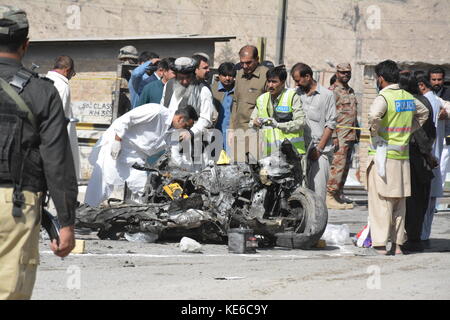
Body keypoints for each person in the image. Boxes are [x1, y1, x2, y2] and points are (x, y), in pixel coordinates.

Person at [0, 5, 77, 299]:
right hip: (17, 206)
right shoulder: (42, 91)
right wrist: (66, 222)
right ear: (26, 44)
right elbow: (56, 161)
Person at [366, 60, 428, 256]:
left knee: (381, 203)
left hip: (384, 157)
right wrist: (409, 130)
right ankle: (399, 245)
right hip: (402, 157)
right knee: (399, 204)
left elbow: (374, 116)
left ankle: (381, 245)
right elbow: (424, 113)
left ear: (381, 78)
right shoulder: (408, 98)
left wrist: (376, 134)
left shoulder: (383, 97)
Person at [85, 104, 198, 207]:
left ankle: (144, 218)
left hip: (136, 156)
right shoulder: (157, 111)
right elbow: (127, 119)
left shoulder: (174, 131)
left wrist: (187, 170)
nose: (186, 130)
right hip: (118, 144)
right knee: (103, 182)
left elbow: (175, 154)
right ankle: (86, 212)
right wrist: (117, 140)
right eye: (187, 126)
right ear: (180, 119)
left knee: (145, 185)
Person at [400, 71, 436, 253]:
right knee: (419, 198)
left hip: (414, 156)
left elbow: (419, 133)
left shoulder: (411, 103)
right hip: (421, 156)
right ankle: (414, 234)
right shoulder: (424, 100)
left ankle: (411, 236)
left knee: (412, 198)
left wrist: (426, 154)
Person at [291, 62, 337, 203]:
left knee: (317, 195)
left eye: (298, 80)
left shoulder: (327, 95)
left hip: (319, 151)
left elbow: (331, 124)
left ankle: (317, 225)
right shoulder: (295, 95)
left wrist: (319, 149)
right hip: (299, 150)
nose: (297, 84)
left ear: (308, 76)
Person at [161, 57, 216, 170]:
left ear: (194, 73)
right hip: (170, 141)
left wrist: (190, 132)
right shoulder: (168, 86)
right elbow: (163, 109)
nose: (185, 81)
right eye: (181, 78)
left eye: (188, 78)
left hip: (194, 143)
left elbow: (206, 119)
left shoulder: (203, 90)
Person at [249, 65, 305, 159]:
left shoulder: (292, 96)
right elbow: (251, 122)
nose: (270, 85)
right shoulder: (262, 99)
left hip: (292, 154)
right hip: (269, 154)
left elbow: (301, 123)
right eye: (269, 81)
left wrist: (278, 125)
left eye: (274, 82)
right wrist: (255, 123)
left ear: (283, 83)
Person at [415, 72, 445, 246]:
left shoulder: (427, 102)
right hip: (433, 155)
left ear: (421, 85)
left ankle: (421, 233)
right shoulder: (435, 101)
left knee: (425, 198)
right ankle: (424, 233)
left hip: (428, 156)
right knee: (430, 199)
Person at [228, 45, 269, 162]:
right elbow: (235, 103)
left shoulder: (267, 76)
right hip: (239, 133)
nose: (245, 66)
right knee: (238, 170)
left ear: (257, 59)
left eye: (249, 63)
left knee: (256, 171)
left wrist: (264, 137)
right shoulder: (239, 74)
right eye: (242, 63)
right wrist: (231, 130)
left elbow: (272, 107)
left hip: (257, 134)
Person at [326, 63, 358, 210]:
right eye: (342, 72)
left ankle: (338, 193)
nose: (346, 75)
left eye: (348, 72)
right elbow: (329, 115)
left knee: (345, 167)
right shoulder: (333, 91)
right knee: (337, 166)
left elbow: (352, 112)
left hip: (350, 135)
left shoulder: (350, 91)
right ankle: (329, 195)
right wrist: (333, 136)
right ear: (337, 73)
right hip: (339, 136)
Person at [45, 55, 80, 180]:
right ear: (67, 70)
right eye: (72, 73)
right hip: (57, 142)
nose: (71, 77)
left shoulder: (45, 80)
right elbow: (59, 118)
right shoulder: (62, 86)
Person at [428, 66, 450, 209]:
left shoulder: (448, 93)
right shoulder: (427, 94)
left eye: (439, 79)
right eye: (434, 79)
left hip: (446, 137)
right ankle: (432, 201)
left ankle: (435, 202)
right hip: (431, 138)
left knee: (442, 169)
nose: (437, 82)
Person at [212, 62, 236, 153]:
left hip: (232, 133)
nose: (227, 78)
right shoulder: (212, 89)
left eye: (230, 75)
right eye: (224, 75)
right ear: (219, 75)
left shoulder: (238, 90)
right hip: (216, 132)